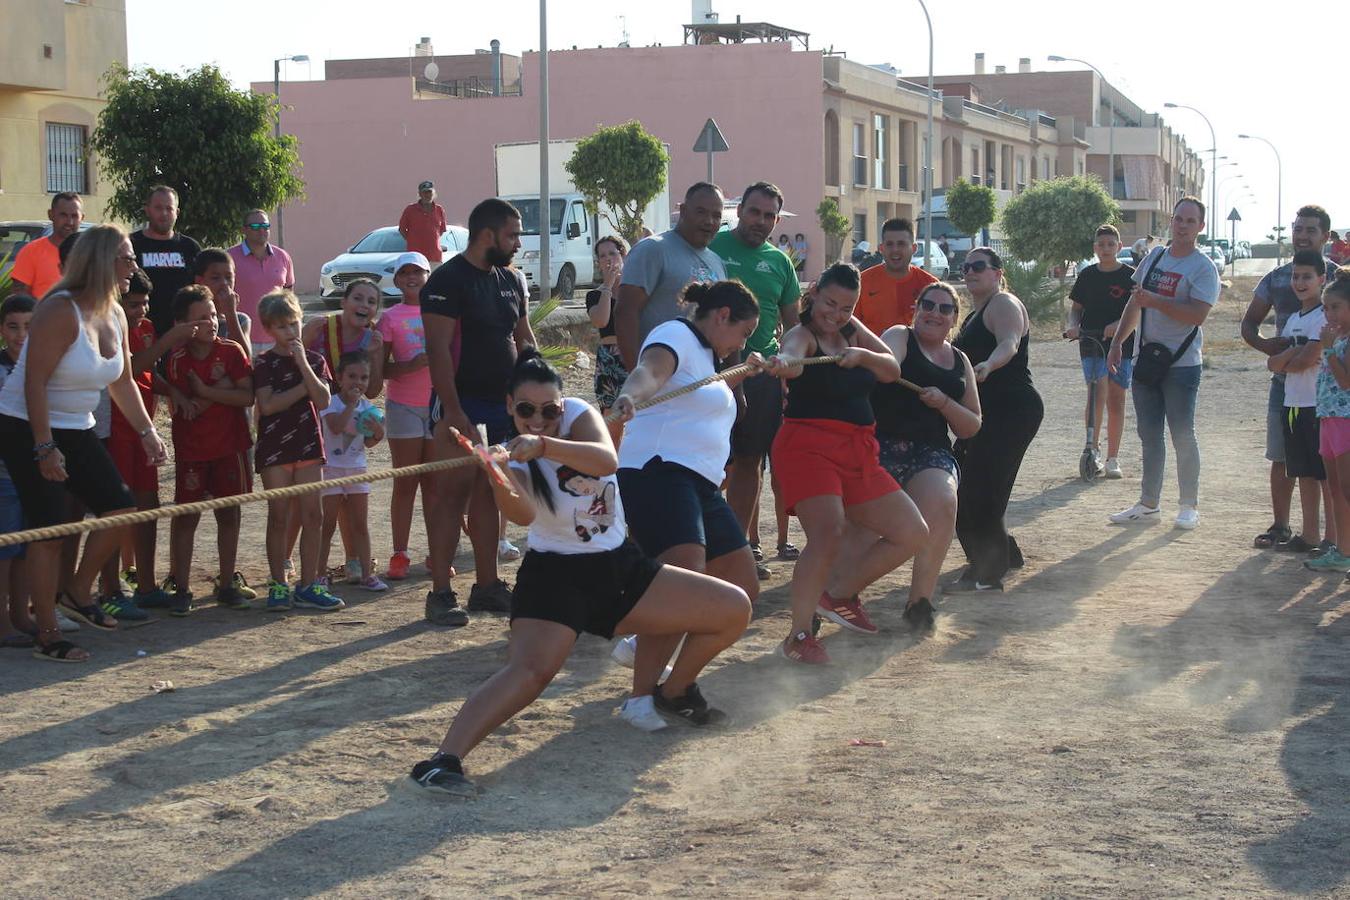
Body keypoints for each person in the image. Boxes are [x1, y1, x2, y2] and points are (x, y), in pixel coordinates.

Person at [408, 350, 751, 795]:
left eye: (548, 410)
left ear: (561, 404)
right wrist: (497, 474)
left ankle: (675, 691)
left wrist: (545, 446)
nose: (538, 420)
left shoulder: (578, 414)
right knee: (530, 673)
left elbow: (605, 461)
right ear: (510, 405)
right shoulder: (512, 456)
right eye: (526, 410)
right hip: (555, 578)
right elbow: (523, 515)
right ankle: (442, 761)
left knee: (733, 608)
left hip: (620, 567)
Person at [0, 225, 168, 662]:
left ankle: (75, 590)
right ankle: (48, 634)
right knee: (50, 527)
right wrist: (43, 446)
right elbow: (34, 382)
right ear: (101, 261)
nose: (133, 267)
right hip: (25, 425)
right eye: (127, 258)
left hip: (76, 425)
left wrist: (148, 431)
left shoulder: (114, 312)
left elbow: (123, 381)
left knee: (120, 507)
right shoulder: (58, 309)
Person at [612, 280, 762, 728]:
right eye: (743, 333)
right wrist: (630, 395)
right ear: (722, 316)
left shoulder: (708, 358)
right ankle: (639, 700)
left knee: (742, 585)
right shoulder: (675, 334)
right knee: (683, 583)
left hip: (698, 483)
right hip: (658, 471)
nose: (741, 343)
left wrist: (744, 370)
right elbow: (650, 372)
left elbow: (694, 391)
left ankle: (675, 687)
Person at [765, 263, 927, 663]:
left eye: (846, 308)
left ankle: (837, 595)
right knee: (828, 532)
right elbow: (792, 359)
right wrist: (782, 363)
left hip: (857, 450)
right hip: (808, 447)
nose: (836, 315)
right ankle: (799, 635)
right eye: (830, 304)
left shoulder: (852, 330)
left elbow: (891, 368)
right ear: (814, 294)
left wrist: (862, 356)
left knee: (912, 531)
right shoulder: (801, 334)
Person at [421, 198, 537, 625]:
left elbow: (524, 338)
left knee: (491, 493)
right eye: (512, 235)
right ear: (488, 235)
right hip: (460, 403)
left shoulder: (511, 279)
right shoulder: (447, 280)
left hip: (501, 405)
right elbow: (437, 349)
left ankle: (487, 586)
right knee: (451, 496)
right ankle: (440, 593)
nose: (518, 243)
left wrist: (537, 390)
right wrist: (453, 411)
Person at [864, 282, 982, 632]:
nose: (935, 313)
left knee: (944, 502)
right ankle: (836, 594)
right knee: (860, 531)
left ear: (955, 318)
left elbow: (971, 425)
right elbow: (884, 368)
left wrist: (944, 403)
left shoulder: (960, 360)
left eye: (945, 309)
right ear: (916, 309)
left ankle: (920, 602)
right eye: (928, 305)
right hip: (880, 444)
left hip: (930, 450)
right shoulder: (900, 336)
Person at [1107, 197, 1221, 530]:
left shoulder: (1203, 268)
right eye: (1178, 219)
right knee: (1149, 434)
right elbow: (1135, 303)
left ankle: (1188, 506)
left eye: (1190, 221)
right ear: (1171, 221)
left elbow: (1197, 315)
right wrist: (1118, 342)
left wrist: (1156, 300)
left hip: (1182, 364)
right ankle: (1148, 504)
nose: (1182, 226)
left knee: (1182, 434)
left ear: (1200, 227)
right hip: (1146, 360)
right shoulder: (1155, 257)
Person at [710, 183, 801, 575]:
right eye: (754, 212)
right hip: (709, 375)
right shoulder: (711, 248)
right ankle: (700, 548)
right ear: (740, 211)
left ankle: (737, 552)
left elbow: (794, 326)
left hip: (761, 379)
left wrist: (789, 365)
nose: (760, 221)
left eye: (769, 216)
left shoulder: (780, 263)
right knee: (706, 464)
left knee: (749, 463)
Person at [1242, 205, 1337, 549]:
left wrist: (1288, 360)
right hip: (1286, 388)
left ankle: (1335, 539)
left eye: (1311, 230)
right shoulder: (1278, 277)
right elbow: (1249, 323)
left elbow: (1315, 351)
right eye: (1298, 229)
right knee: (1283, 457)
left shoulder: (1341, 278)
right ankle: (1282, 527)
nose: (1302, 236)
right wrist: (1267, 347)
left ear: (1326, 235)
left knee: (1328, 468)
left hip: (1328, 390)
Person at [952, 247, 1044, 590]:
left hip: (1012, 409)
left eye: (978, 266)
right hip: (986, 413)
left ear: (998, 273)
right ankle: (1004, 553)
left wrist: (989, 364)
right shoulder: (974, 315)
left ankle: (988, 573)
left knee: (981, 490)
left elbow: (1009, 343)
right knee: (967, 485)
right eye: (966, 266)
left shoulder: (1003, 303)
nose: (970, 272)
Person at [163, 285, 256, 615]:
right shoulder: (177, 359)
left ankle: (227, 582)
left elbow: (247, 396)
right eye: (202, 317)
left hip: (231, 446)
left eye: (214, 315)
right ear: (183, 324)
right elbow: (187, 403)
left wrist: (207, 392)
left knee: (229, 514)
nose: (212, 322)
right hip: (192, 449)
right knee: (187, 517)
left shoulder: (232, 351)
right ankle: (181, 587)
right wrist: (220, 388)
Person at [252, 290, 344, 612]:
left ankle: (309, 584)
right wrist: (304, 387)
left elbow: (323, 399)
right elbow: (268, 405)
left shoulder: (316, 361)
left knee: (313, 515)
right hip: (275, 447)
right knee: (279, 516)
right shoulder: (263, 363)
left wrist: (303, 364)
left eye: (293, 324)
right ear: (268, 329)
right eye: (281, 326)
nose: (289, 332)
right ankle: (278, 584)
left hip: (308, 443)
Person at [102, 269, 184, 617]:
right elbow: (129, 372)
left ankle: (146, 586)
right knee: (116, 512)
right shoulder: (109, 327)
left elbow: (148, 376)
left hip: (143, 431)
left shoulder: (147, 328)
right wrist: (167, 342)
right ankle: (109, 590)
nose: (141, 310)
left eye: (145, 303)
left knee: (148, 507)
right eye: (133, 304)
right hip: (116, 430)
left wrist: (175, 391)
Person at [614, 182, 727, 371]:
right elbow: (626, 312)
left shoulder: (716, 261)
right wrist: (637, 374)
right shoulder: (653, 250)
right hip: (659, 375)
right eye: (701, 212)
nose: (709, 221)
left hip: (701, 376)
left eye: (716, 215)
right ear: (683, 211)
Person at [1265, 252, 1331, 554]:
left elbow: (1306, 360)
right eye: (1296, 276)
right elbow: (1274, 364)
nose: (1300, 282)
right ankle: (1310, 535)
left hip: (1317, 405)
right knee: (1303, 472)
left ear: (1322, 279)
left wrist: (1290, 357)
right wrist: (1293, 354)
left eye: (1307, 277)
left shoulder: (1323, 317)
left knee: (1324, 475)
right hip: (1293, 403)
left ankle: (1333, 539)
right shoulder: (1293, 319)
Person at [377, 252, 436, 580]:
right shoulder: (389, 317)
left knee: (434, 484)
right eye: (405, 273)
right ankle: (399, 553)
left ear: (428, 276)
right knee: (405, 482)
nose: (412, 278)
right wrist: (409, 366)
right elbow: (380, 369)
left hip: (437, 405)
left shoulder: (441, 311)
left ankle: (437, 551)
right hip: (402, 406)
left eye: (418, 272)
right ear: (397, 279)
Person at [1065, 224, 1136, 478]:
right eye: (1101, 245)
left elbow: (1138, 310)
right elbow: (1076, 309)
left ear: (1119, 247)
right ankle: (1091, 449)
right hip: (1091, 342)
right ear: (1095, 248)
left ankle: (1112, 458)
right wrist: (1073, 326)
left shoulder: (1131, 276)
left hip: (1122, 344)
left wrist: (1119, 325)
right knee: (1096, 393)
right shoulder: (1087, 275)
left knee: (1116, 397)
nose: (1106, 249)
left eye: (1110, 244)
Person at [317, 350, 388, 591]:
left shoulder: (368, 407)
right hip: (331, 469)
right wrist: (350, 405)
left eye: (364, 377)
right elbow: (336, 427)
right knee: (327, 525)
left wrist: (378, 432)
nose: (358, 382)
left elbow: (368, 442)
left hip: (357, 468)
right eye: (352, 376)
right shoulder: (330, 402)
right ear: (339, 378)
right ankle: (319, 574)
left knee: (360, 524)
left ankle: (367, 574)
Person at [1308, 268, 1350, 575]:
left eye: (1336, 307)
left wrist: (1329, 349)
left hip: (1346, 420)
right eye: (1326, 307)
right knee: (1335, 489)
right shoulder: (1337, 337)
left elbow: (1346, 382)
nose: (1329, 313)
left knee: (1348, 488)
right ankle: (1343, 551)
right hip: (1328, 418)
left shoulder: (1341, 342)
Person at [0, 294, 35, 649]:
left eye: (28, 326)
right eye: (13, 327)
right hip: (5, 474)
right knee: (5, 550)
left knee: (26, 547)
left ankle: (21, 615)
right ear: (1, 330)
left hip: (34, 471)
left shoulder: (44, 365)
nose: (21, 335)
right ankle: (2, 623)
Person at [131, 186, 201, 336]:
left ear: (177, 212)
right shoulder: (131, 245)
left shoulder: (190, 247)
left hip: (183, 332)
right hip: (139, 331)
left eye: (169, 208)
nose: (163, 213)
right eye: (158, 208)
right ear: (147, 210)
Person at [584, 235, 631, 444]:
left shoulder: (635, 291)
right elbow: (601, 321)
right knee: (612, 423)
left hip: (633, 355)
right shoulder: (594, 295)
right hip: (609, 361)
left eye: (613, 253)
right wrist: (608, 286)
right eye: (602, 256)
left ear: (623, 255)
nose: (608, 259)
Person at [301, 277, 384, 396]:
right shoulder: (319, 327)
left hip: (346, 406)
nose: (365, 305)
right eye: (357, 298)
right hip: (311, 402)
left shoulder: (373, 339)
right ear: (343, 302)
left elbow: (372, 393)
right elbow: (286, 368)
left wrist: (372, 355)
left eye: (371, 302)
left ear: (376, 311)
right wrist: (306, 341)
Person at [856, 218, 939, 335]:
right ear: (881, 249)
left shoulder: (930, 286)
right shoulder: (861, 283)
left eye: (901, 244)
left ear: (914, 248)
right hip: (870, 347)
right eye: (889, 244)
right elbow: (849, 327)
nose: (895, 250)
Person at [227, 210, 294, 354]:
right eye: (256, 226)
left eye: (265, 226)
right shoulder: (229, 258)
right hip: (241, 338)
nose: (262, 230)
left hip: (277, 340)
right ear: (244, 230)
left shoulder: (283, 257)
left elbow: (289, 297)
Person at [10, 192, 83, 299]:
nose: (70, 222)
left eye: (74, 216)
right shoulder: (31, 252)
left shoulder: (90, 253)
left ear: (82, 218)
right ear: (51, 215)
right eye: (63, 215)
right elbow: (19, 298)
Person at [193, 248, 252, 360]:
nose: (224, 283)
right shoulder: (192, 318)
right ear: (200, 281)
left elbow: (245, 358)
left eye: (229, 278)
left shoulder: (240, 320)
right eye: (215, 278)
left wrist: (230, 313)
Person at [399, 180, 448, 264]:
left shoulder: (439, 210)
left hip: (434, 256)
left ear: (433, 194)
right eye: (424, 192)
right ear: (420, 194)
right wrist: (412, 240)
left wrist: (431, 239)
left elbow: (442, 230)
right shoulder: (410, 210)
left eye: (429, 192)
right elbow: (402, 230)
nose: (427, 195)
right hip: (415, 257)